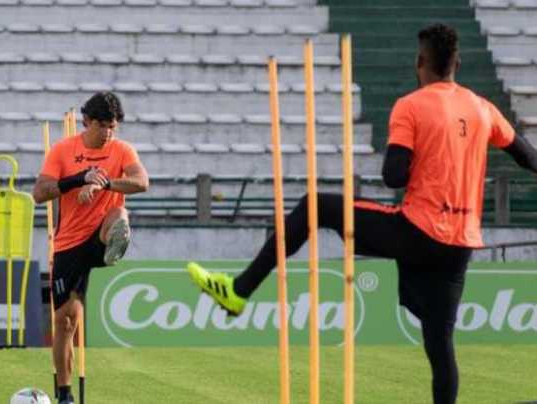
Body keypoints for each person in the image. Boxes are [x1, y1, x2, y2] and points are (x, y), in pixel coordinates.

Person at [187, 24, 537, 404]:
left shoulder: (412, 105)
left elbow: (393, 176)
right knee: (440, 344)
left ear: (421, 62)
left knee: (315, 205)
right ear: (457, 63)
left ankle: (239, 291)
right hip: (461, 243)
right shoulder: (483, 107)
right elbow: (527, 156)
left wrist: (424, 155)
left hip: (418, 230)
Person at [33, 91, 149, 404]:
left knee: (120, 214)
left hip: (100, 233)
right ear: (87, 122)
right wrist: (78, 180)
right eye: (103, 126)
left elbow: (142, 182)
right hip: (70, 244)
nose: (109, 132)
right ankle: (65, 394)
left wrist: (104, 183)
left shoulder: (122, 150)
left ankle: (116, 244)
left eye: (114, 126)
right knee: (66, 323)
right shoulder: (62, 151)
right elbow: (39, 193)